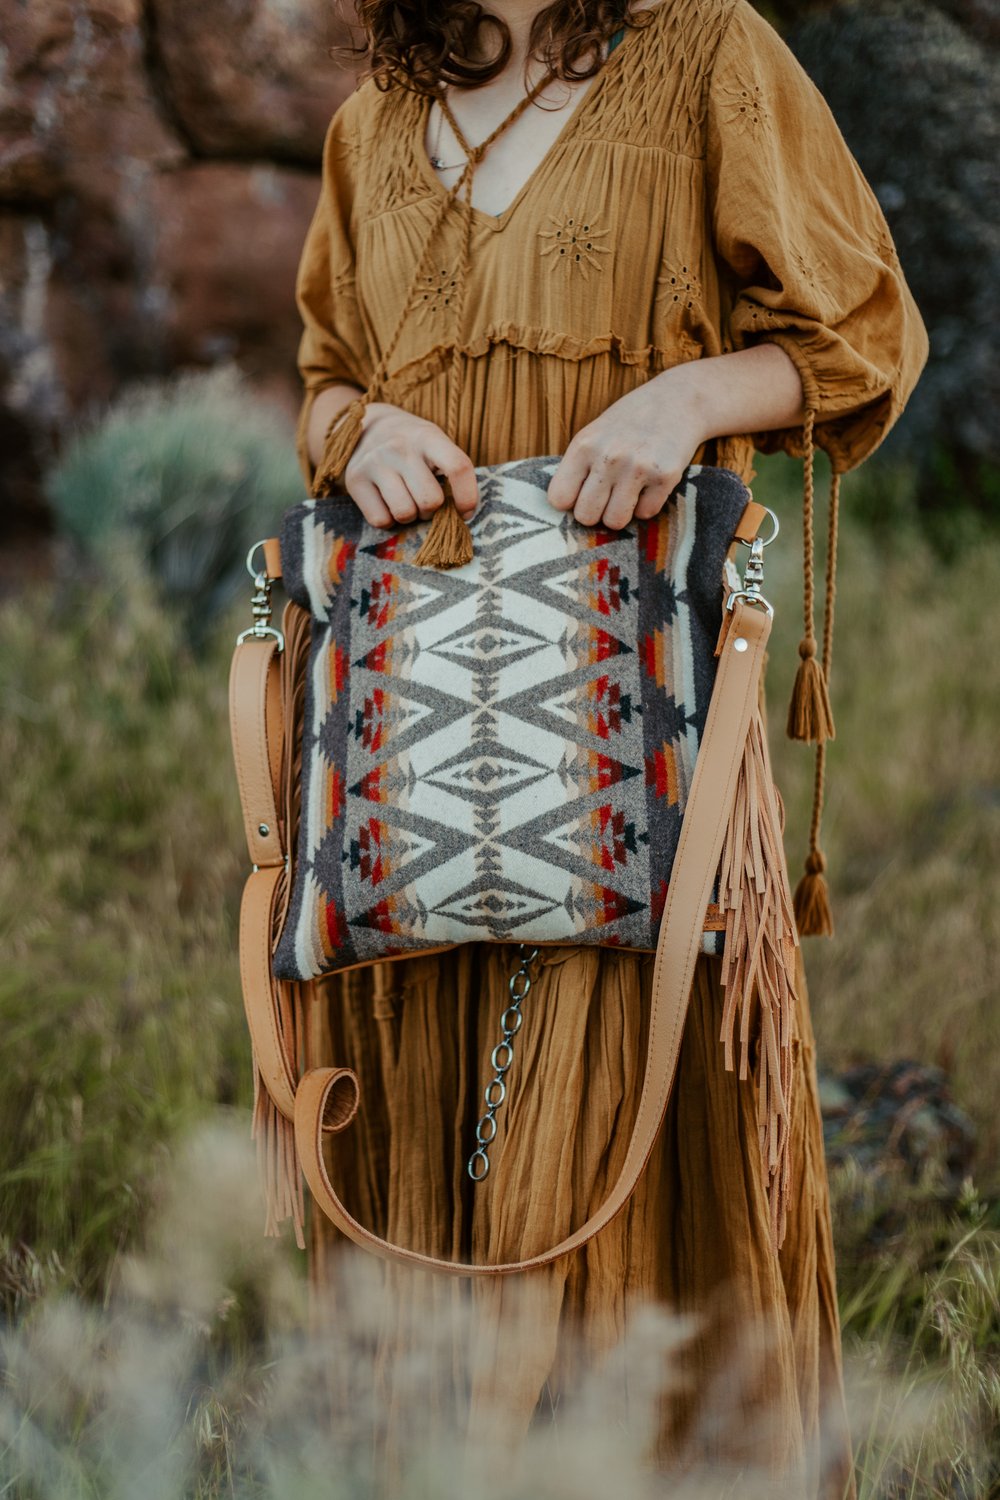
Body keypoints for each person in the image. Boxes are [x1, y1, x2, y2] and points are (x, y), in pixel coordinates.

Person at [291, 0, 928, 1490]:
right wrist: (358, 433)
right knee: (422, 1111)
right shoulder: (374, 115)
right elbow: (323, 373)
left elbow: (864, 336)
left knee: (630, 1110)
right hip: (410, 738)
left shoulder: (708, 51)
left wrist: (692, 396)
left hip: (631, 704)